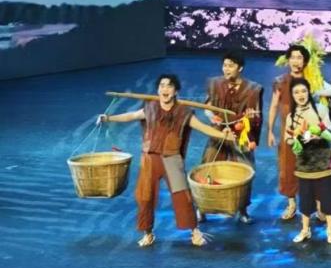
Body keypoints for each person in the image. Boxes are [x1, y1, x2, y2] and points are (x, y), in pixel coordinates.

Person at [97, 73, 236, 247]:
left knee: (182, 197)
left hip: (172, 159)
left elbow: (203, 128)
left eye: (169, 86)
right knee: (145, 197)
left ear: (175, 91)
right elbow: (130, 116)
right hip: (150, 158)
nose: (165, 89)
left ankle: (195, 231)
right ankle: (148, 233)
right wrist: (108, 118)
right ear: (157, 90)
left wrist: (224, 135)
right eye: (162, 85)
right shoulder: (150, 108)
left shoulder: (183, 113)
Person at [200, 50, 263, 224]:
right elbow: (207, 107)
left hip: (241, 132)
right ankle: (202, 208)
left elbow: (257, 115)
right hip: (219, 130)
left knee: (245, 168)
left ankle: (242, 210)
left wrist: (251, 119)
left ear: (240, 68)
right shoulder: (214, 84)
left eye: (231, 66)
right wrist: (212, 117)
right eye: (225, 65)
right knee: (208, 164)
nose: (226, 69)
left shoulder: (253, 89)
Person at [286, 78, 331, 245]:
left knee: (328, 197)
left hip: (323, 161)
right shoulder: (291, 116)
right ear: (292, 95)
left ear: (309, 92)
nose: (300, 95)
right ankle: (305, 229)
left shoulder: (321, 109)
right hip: (304, 163)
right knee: (306, 199)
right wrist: (294, 141)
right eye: (296, 92)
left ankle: (330, 229)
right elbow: (288, 137)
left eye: (303, 91)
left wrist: (319, 135)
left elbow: (330, 130)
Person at [267, 43, 309, 221]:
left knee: (311, 166)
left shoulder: (312, 80)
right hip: (288, 133)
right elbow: (274, 106)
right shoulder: (281, 81)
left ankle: (315, 205)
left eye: (299, 57)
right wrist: (270, 131)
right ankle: (291, 204)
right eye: (292, 57)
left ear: (305, 61)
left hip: (308, 131)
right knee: (288, 167)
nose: (296, 61)